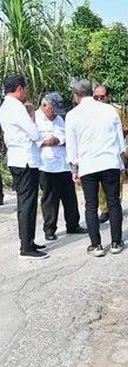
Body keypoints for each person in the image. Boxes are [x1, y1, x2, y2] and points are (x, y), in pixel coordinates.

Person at [66, 79, 126, 257]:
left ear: (76, 95)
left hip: (88, 165)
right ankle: (116, 242)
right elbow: (120, 141)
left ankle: (96, 245)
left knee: (91, 206)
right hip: (110, 162)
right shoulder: (109, 110)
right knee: (114, 202)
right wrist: (121, 163)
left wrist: (74, 170)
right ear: (91, 92)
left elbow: (72, 147)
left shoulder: (72, 115)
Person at [0, 75, 48, 259]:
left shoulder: (5, 106)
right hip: (26, 160)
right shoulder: (17, 107)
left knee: (24, 202)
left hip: (16, 158)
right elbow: (34, 132)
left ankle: (27, 240)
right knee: (28, 203)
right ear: (19, 88)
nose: (26, 93)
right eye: (25, 89)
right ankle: (26, 247)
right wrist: (32, 117)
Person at [36, 92, 88, 241]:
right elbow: (32, 139)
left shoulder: (60, 120)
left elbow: (69, 138)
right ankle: (50, 229)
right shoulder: (35, 118)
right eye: (53, 110)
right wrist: (45, 142)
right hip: (46, 165)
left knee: (70, 197)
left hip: (63, 164)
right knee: (50, 199)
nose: (54, 115)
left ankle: (73, 225)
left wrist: (57, 140)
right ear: (44, 105)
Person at [92, 84, 128, 224]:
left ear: (108, 97)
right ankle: (104, 210)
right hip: (96, 151)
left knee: (117, 182)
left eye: (102, 96)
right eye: (96, 97)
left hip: (115, 150)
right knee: (100, 185)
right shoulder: (89, 112)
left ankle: (115, 206)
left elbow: (125, 129)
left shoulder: (117, 111)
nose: (99, 99)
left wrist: (121, 146)